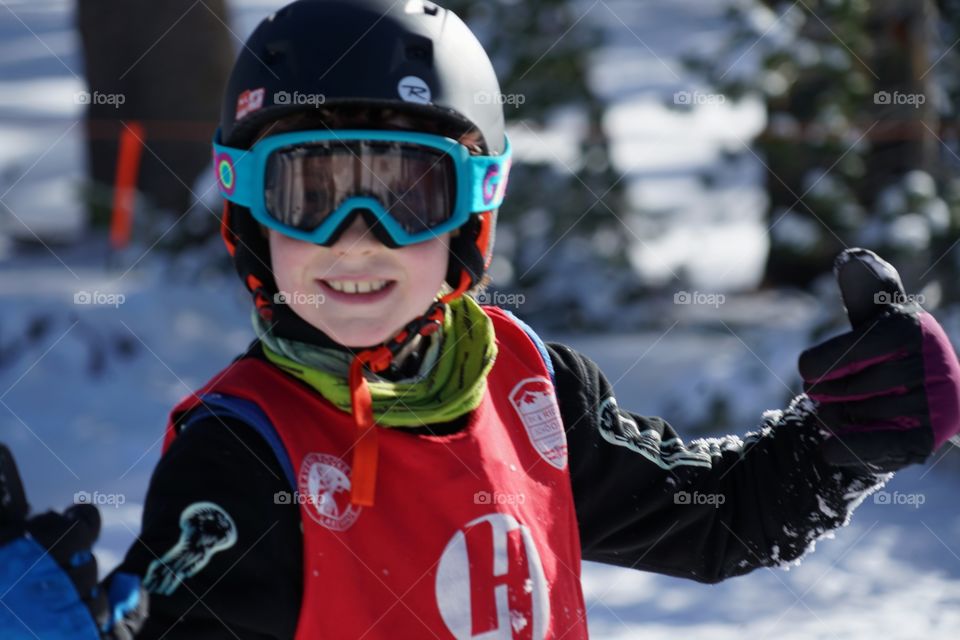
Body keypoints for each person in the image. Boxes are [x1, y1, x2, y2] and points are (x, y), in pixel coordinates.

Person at [2, 1, 959, 638]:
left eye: (407, 194)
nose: (356, 239)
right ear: (250, 217)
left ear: (474, 214)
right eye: (312, 192)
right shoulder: (241, 457)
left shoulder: (527, 385)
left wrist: (843, 444)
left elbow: (715, 521)